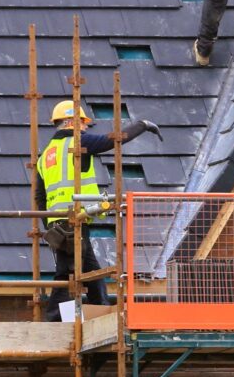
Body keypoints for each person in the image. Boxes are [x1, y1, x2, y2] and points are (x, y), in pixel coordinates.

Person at [36, 100, 163, 321]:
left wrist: (49, 225)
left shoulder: (46, 153)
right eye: (83, 123)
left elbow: (40, 196)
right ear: (71, 122)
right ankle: (55, 318)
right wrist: (142, 125)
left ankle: (101, 309)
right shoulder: (76, 142)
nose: (85, 127)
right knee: (66, 270)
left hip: (59, 220)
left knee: (90, 266)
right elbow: (111, 141)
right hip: (75, 216)